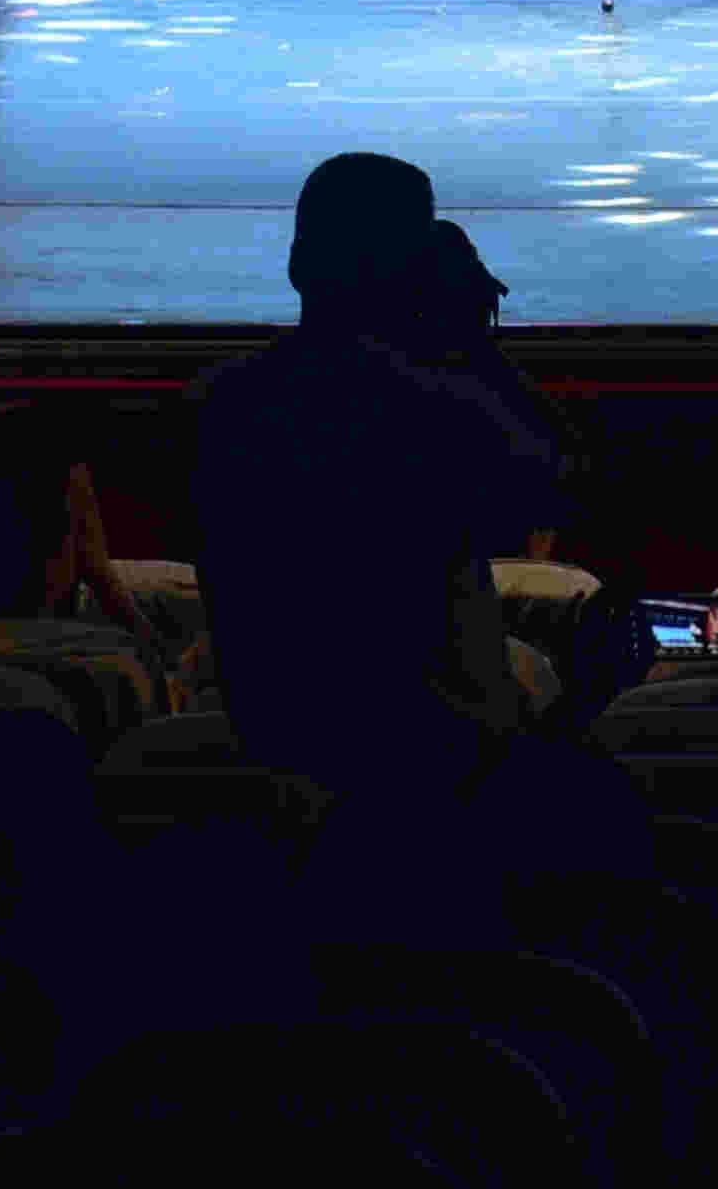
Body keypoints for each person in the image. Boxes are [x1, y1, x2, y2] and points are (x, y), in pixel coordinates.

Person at [186, 153, 568, 814]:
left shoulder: (221, 402)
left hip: (275, 733)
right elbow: (552, 487)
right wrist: (469, 333)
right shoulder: (444, 411)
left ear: (297, 264)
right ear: (419, 276)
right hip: (443, 752)